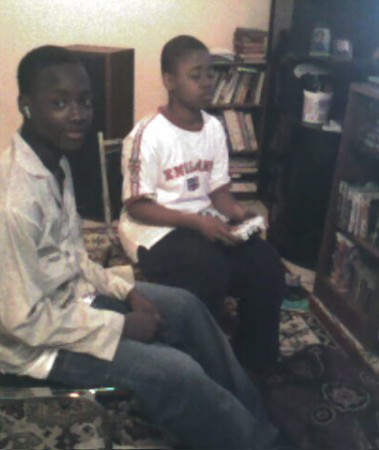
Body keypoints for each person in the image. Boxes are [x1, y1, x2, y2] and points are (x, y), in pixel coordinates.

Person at [0, 45, 289, 449]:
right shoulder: (9, 206)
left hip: (67, 302)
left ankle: (254, 415)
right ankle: (260, 444)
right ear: (26, 105)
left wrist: (126, 292)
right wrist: (120, 325)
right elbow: (21, 324)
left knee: (186, 307)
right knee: (175, 371)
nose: (77, 114)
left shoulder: (54, 163)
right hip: (31, 346)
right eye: (59, 103)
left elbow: (71, 258)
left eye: (84, 101)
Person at [118, 35, 286, 375]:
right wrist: (197, 223)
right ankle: (201, 363)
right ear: (169, 81)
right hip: (153, 229)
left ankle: (254, 362)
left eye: (211, 73)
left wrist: (240, 215)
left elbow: (219, 192)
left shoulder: (213, 128)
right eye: (196, 75)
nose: (208, 82)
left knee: (267, 264)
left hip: (202, 221)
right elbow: (137, 206)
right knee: (209, 268)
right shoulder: (146, 134)